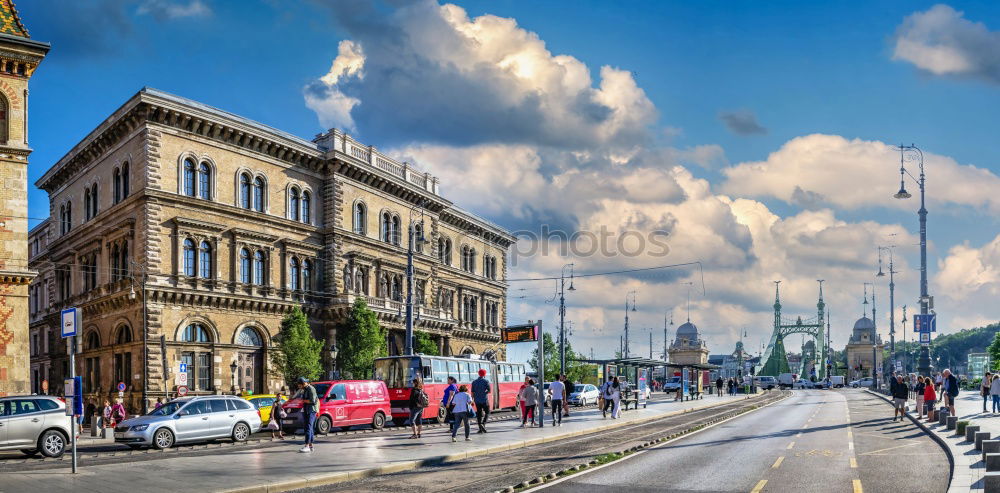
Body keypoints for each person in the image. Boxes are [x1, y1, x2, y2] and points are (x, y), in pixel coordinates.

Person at [294, 377, 319, 453]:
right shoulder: (304, 389)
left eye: (299, 385)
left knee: (308, 427)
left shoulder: (311, 389)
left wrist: (302, 400)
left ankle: (307, 445)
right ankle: (310, 445)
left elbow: (313, 401)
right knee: (308, 427)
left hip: (311, 410)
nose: (299, 386)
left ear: (304, 383)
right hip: (307, 410)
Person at [471, 368, 492, 433]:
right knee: (487, 412)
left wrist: (472, 400)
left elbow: (472, 392)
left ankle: (480, 428)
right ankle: (483, 423)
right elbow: (489, 390)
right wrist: (484, 392)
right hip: (484, 400)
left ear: (478, 374)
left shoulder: (474, 382)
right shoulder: (486, 381)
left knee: (479, 414)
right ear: (484, 374)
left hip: (477, 400)